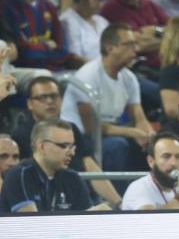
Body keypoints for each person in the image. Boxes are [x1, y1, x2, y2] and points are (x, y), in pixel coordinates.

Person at [12, 75, 121, 206]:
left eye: (54, 96)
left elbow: (89, 164)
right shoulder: (20, 135)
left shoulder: (71, 129)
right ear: (30, 103)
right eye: (42, 97)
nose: (49, 101)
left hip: (76, 192)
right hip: (43, 198)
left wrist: (119, 203)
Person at [61, 24, 153, 173]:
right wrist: (132, 132)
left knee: (149, 146)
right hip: (79, 137)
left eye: (135, 44)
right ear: (110, 48)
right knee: (117, 145)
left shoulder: (129, 78)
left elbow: (139, 117)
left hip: (109, 131)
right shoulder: (88, 75)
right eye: (129, 44)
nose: (135, 49)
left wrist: (151, 136)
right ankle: (115, 195)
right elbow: (92, 128)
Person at [0, 119, 94, 213]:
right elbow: (31, 223)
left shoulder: (73, 178)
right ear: (42, 147)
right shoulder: (19, 175)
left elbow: (84, 221)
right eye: (64, 146)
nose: (72, 153)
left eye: (72, 147)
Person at [121, 131, 179, 210]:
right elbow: (151, 219)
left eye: (178, 157)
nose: (174, 163)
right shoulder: (138, 188)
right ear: (151, 161)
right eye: (166, 156)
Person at [60, 0, 112, 65]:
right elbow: (74, 57)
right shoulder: (68, 21)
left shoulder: (102, 21)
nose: (101, 4)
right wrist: (100, 69)